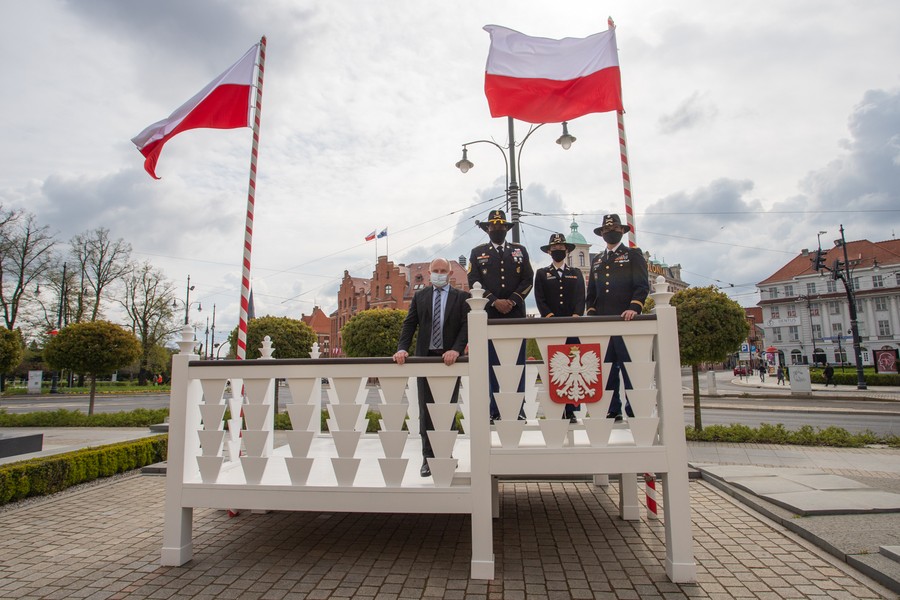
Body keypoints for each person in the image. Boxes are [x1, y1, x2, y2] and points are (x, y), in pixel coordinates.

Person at [393, 258, 470, 477]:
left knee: (446, 410)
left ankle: (446, 455)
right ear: (428, 273)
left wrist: (456, 349)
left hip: (449, 361)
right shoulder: (420, 296)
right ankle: (427, 459)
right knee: (426, 411)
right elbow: (410, 324)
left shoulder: (461, 298)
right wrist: (402, 348)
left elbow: (466, 326)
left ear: (449, 273)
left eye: (443, 271)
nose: (439, 273)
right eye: (435, 270)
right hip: (425, 360)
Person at [468, 209, 534, 422]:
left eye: (501, 226)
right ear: (487, 229)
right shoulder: (477, 253)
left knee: (517, 363)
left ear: (507, 228)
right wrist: (494, 300)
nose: (497, 229)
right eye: (493, 226)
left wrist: (512, 300)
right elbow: (473, 282)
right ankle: (494, 408)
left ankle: (518, 407)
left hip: (515, 315)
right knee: (491, 363)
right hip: (490, 316)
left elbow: (528, 280)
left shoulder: (519, 250)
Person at [585, 214, 649, 422]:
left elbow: (641, 285)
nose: (609, 233)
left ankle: (634, 407)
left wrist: (634, 307)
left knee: (629, 366)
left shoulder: (632, 254)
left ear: (622, 231)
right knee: (607, 367)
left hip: (625, 320)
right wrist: (592, 313)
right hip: (604, 322)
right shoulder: (598, 260)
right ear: (602, 234)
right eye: (605, 230)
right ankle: (613, 408)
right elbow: (592, 292)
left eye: (614, 229)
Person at [534, 232, 585, 423]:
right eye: (554, 249)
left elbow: (581, 297)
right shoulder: (542, 273)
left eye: (561, 248)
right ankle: (557, 407)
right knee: (555, 368)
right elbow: (540, 299)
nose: (558, 251)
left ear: (566, 250)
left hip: (572, 327)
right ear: (549, 251)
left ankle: (572, 409)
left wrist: (575, 316)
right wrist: (550, 317)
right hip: (552, 326)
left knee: (574, 367)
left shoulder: (576, 273)